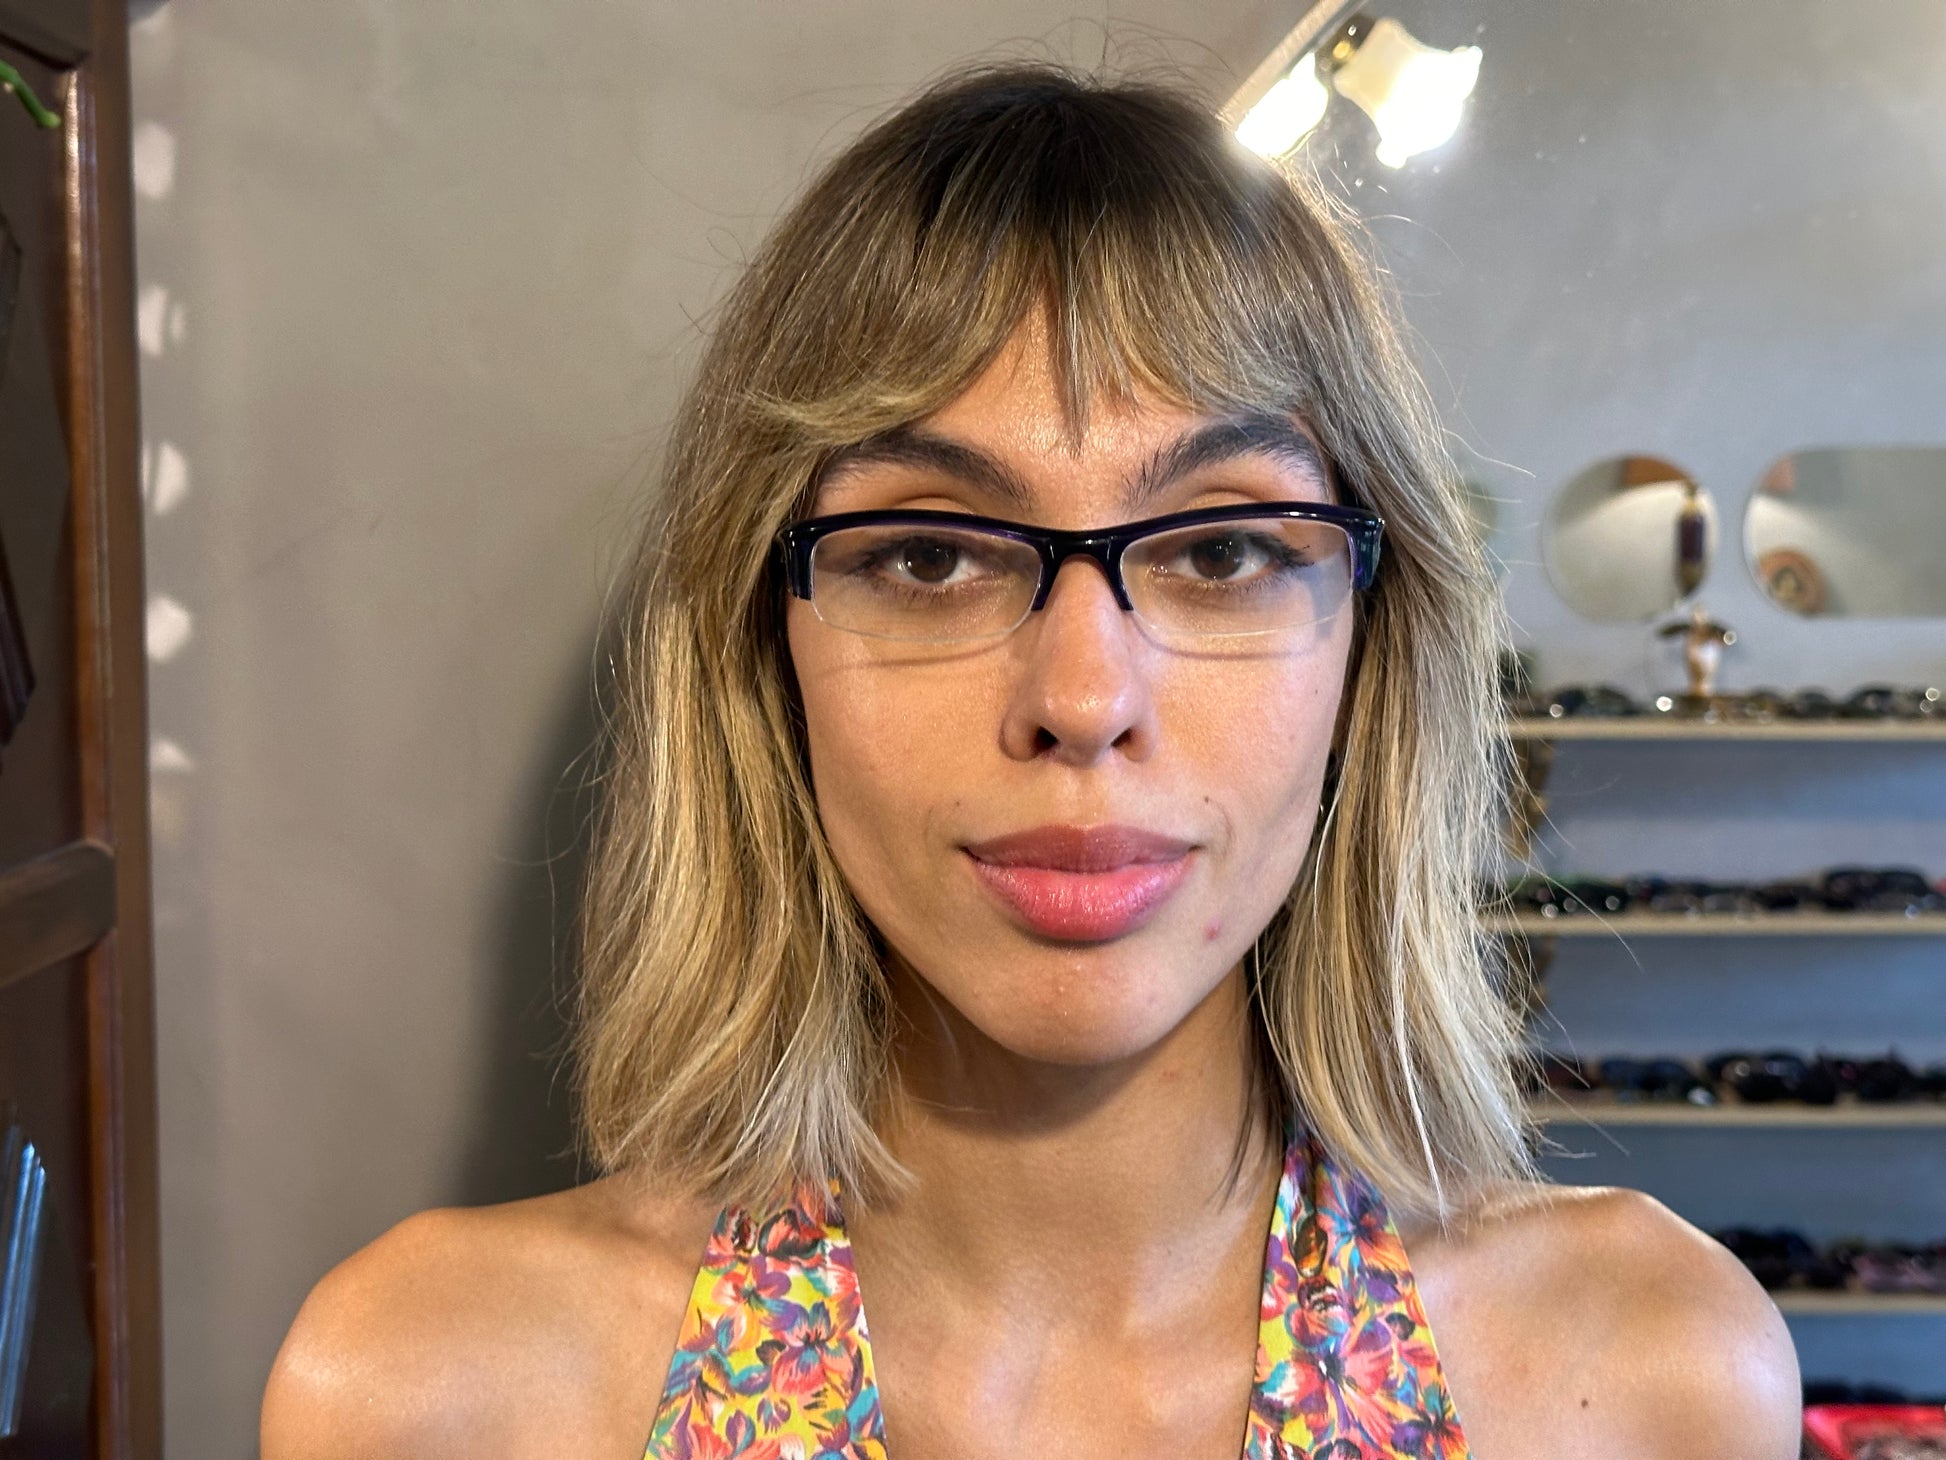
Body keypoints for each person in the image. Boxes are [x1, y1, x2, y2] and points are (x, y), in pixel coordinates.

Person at [262, 63, 1800, 1460]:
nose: (1081, 697)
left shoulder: (1649, 1379)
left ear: (1367, 651)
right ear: (763, 649)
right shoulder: (430, 1393)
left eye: (1221, 550)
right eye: (928, 554)